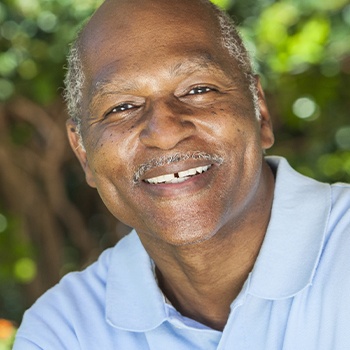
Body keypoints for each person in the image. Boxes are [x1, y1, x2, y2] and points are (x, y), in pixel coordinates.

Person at [13, 0, 350, 349]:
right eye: (122, 107)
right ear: (83, 152)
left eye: (198, 89)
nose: (164, 132)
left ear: (259, 110)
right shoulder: (66, 330)